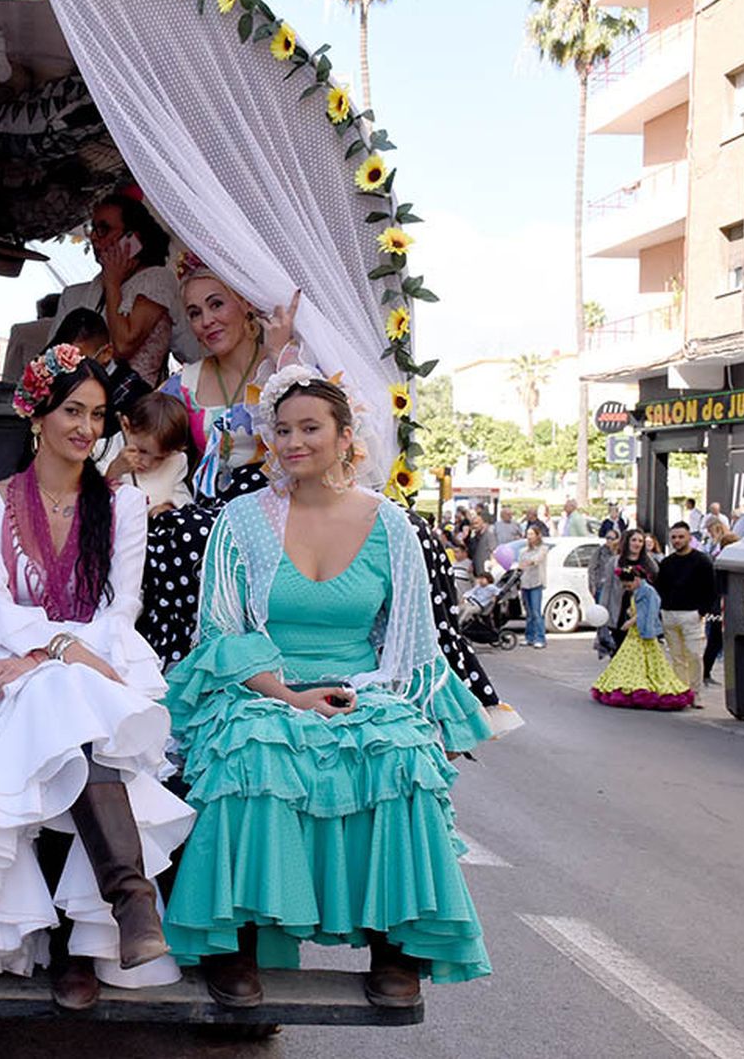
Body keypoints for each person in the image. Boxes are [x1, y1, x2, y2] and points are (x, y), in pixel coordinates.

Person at [162, 373, 491, 1011]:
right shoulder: (241, 520)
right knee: (253, 756)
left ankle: (395, 948)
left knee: (398, 756)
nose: (292, 442)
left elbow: (414, 641)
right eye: (282, 430)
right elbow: (221, 631)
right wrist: (289, 697)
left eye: (310, 428)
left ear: (347, 437)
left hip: (360, 686)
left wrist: (394, 709)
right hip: (261, 687)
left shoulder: (393, 526)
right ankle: (237, 943)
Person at [0, 351, 193, 1008]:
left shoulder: (123, 505)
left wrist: (61, 652)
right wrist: (48, 655)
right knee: (60, 700)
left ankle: (84, 939)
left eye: (95, 413)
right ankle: (117, 915)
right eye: (71, 411)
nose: (86, 427)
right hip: (14, 665)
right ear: (36, 414)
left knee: (72, 700)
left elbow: (121, 608)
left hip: (100, 663)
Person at [135, 260, 303, 666]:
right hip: (208, 508)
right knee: (163, 531)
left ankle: (209, 659)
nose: (206, 321)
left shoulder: (282, 365)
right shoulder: (183, 384)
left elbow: (309, 430)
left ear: (244, 303)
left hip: (275, 503)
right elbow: (142, 441)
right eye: (194, 312)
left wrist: (281, 354)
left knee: (188, 533)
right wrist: (155, 497)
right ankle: (175, 660)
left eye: (215, 305)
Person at [49, 193, 183, 387]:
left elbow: (122, 346)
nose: (94, 237)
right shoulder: (93, 286)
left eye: (104, 229)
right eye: (93, 228)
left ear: (132, 238)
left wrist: (113, 283)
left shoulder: (158, 279)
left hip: (131, 406)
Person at [591, 567, 693, 710]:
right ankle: (629, 684)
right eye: (625, 586)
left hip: (642, 632)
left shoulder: (647, 592)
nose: (627, 588)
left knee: (645, 661)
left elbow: (646, 611)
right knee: (631, 660)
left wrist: (631, 621)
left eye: (628, 585)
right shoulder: (639, 591)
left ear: (637, 580)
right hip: (636, 633)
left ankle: (640, 687)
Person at [656, 522, 715, 706]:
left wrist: (702, 611)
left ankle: (695, 693)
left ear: (689, 537)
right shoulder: (666, 562)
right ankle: (681, 692)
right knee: (677, 657)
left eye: (681, 536)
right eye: (674, 537)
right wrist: (662, 610)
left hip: (691, 614)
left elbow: (711, 589)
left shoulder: (702, 561)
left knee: (694, 655)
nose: (677, 540)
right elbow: (660, 588)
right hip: (669, 614)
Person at [115, 391, 192, 516]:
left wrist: (170, 505)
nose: (147, 463)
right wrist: (114, 471)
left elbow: (182, 495)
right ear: (125, 426)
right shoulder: (104, 450)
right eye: (142, 451)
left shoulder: (175, 461)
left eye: (159, 458)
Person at [603, 529, 659, 653]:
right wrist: (603, 612)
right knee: (619, 650)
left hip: (641, 612)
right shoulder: (615, 562)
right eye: (634, 540)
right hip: (620, 610)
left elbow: (655, 590)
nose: (637, 544)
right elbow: (607, 588)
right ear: (627, 542)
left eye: (640, 541)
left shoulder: (650, 563)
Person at [701, 526, 737, 685]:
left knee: (715, 643)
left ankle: (706, 672)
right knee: (715, 642)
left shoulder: (718, 561)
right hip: (718, 608)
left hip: (717, 608)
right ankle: (705, 673)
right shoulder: (721, 563)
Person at [516, 524, 549, 648]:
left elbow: (537, 559)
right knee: (529, 613)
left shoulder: (543, 549)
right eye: (527, 534)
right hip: (525, 583)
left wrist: (528, 562)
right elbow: (520, 565)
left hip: (536, 583)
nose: (529, 537)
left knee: (536, 612)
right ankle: (529, 637)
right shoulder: (523, 551)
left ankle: (540, 637)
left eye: (531, 534)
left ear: (537, 535)